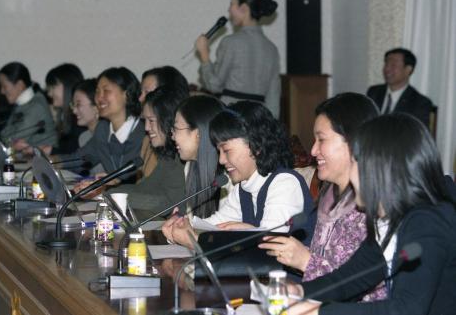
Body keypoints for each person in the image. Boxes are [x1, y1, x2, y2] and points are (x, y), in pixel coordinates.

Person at [287, 114, 456, 315]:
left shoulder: (427, 222)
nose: (350, 173)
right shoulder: (391, 220)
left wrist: (319, 312)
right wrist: (299, 291)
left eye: (355, 162)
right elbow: (350, 279)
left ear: (378, 168)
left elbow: (408, 309)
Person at [259, 93, 385, 300]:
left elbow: (361, 288)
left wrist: (305, 261)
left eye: (322, 140)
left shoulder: (376, 206)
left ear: (354, 141)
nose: (313, 150)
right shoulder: (329, 192)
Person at [163, 101, 314, 250]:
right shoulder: (243, 187)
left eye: (227, 150)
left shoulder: (284, 184)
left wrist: (195, 241)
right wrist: (182, 227)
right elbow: (214, 226)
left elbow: (272, 250)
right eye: (219, 151)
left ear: (257, 146)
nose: (221, 160)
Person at [196, 0, 281, 117]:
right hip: (258, 120)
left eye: (232, 4)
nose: (229, 10)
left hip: (230, 118)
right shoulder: (272, 49)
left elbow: (214, 86)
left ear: (244, 8)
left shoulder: (230, 42)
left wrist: (204, 55)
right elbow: (273, 99)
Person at [109, 86, 188, 219]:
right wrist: (108, 193)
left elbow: (168, 204)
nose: (146, 128)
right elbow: (144, 189)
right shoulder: (166, 154)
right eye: (145, 121)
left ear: (168, 120)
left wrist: (115, 198)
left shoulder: (181, 157)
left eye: (151, 121)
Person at [68, 67, 145, 184]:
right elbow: (79, 161)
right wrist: (50, 161)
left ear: (127, 94)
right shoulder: (103, 129)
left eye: (106, 91)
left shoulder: (144, 133)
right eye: (97, 91)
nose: (99, 98)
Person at [169, 95, 225, 218]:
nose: (172, 137)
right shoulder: (190, 167)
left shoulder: (229, 178)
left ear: (198, 134)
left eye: (176, 129)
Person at [138, 66, 190, 179]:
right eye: (140, 92)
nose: (141, 98)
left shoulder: (185, 149)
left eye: (147, 92)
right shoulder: (148, 139)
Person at [367, 47, 433, 127]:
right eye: (386, 64)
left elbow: (416, 136)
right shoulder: (373, 92)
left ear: (408, 69)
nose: (387, 69)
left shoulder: (420, 103)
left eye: (393, 65)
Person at [0, 62, 57, 152]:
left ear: (20, 85)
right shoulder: (21, 104)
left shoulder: (36, 107)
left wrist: (10, 139)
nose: (2, 91)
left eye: (4, 86)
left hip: (48, 161)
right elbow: (4, 135)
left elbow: (13, 137)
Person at [45, 63, 86, 155]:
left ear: (67, 86)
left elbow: (76, 154)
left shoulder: (80, 116)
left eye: (53, 87)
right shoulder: (65, 116)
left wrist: (51, 150)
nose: (49, 94)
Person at [70, 78, 99, 148]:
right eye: (73, 105)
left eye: (78, 104)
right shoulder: (84, 138)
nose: (74, 111)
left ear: (97, 107)